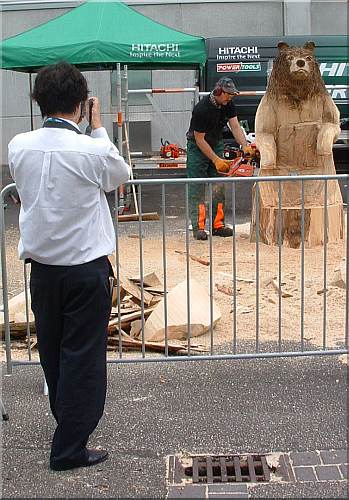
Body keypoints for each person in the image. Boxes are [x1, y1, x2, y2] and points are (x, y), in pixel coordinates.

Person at [8, 62, 130, 471]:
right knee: (83, 356)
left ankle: (67, 425)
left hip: (42, 270)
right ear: (81, 103)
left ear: (39, 100)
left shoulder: (18, 145)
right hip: (84, 268)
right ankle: (69, 447)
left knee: (54, 352)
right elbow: (118, 175)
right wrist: (97, 127)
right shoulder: (93, 149)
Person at [186, 77, 252, 240]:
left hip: (216, 143)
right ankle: (198, 227)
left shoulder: (228, 104)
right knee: (197, 187)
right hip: (197, 147)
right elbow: (200, 139)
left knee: (219, 186)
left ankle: (218, 225)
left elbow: (235, 126)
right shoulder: (201, 109)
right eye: (228, 94)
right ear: (218, 92)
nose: (230, 98)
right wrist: (216, 160)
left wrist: (244, 145)